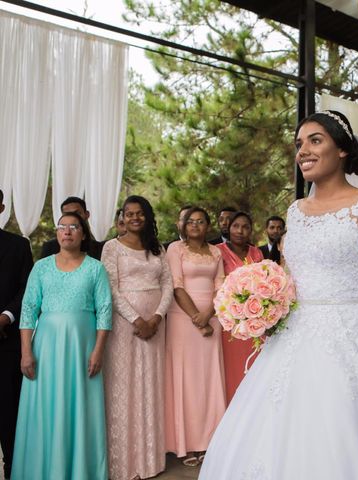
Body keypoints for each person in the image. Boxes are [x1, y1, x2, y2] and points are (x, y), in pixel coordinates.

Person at [199, 110, 358, 479]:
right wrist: (265, 307)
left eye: (315, 140)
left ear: (343, 151)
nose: (303, 150)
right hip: (290, 343)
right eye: (299, 144)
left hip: (351, 342)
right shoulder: (296, 211)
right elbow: (289, 279)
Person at [12, 212, 112, 480]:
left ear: (82, 233)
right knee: (46, 407)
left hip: (83, 347)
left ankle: (80, 471)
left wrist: (98, 350)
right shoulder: (41, 267)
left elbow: (104, 311)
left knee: (80, 407)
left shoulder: (95, 268)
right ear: (57, 233)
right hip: (46, 348)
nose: (67, 231)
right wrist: (25, 351)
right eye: (62, 227)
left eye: (73, 227)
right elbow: (28, 310)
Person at [101, 195, 174, 480]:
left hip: (156, 324)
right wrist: (137, 320)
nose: (134, 218)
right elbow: (110, 287)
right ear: (122, 217)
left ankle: (150, 458)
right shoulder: (111, 247)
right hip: (124, 326)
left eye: (139, 213)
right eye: (129, 213)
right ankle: (123, 461)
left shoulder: (157, 248)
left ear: (147, 216)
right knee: (124, 386)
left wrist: (156, 317)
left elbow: (168, 283)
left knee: (150, 386)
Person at [165, 207, 226, 466]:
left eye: (201, 221)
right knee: (185, 379)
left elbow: (221, 285)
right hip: (182, 317)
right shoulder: (175, 250)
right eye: (190, 221)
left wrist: (208, 315)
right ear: (182, 225)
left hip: (213, 317)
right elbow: (176, 285)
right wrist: (196, 317)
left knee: (209, 378)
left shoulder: (216, 251)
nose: (195, 225)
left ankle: (210, 440)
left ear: (208, 226)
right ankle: (185, 443)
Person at [0, 189, 33, 480]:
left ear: (1, 207)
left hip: (6, 344)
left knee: (8, 416)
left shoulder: (19, 246)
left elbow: (26, 290)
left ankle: (13, 472)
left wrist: (5, 317)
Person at [216, 211, 264, 403]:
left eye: (245, 227)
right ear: (229, 228)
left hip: (253, 320)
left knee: (253, 367)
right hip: (229, 322)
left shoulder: (256, 253)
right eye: (236, 226)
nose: (240, 231)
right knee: (231, 368)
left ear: (251, 231)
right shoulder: (218, 252)